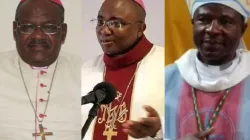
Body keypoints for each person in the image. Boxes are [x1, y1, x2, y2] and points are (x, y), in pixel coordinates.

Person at [165, 0, 250, 139]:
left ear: (243, 29)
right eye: (204, 19)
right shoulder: (167, 79)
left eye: (225, 21)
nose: (212, 30)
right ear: (193, 22)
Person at [81, 0, 164, 139]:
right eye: (100, 22)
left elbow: (190, 125)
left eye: (116, 23)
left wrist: (160, 128)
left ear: (140, 29)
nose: (104, 30)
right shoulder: (85, 71)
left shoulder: (166, 66)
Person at [0, 0, 81, 139]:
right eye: (27, 27)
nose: (38, 35)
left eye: (49, 27)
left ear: (63, 33)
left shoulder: (84, 71)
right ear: (15, 31)